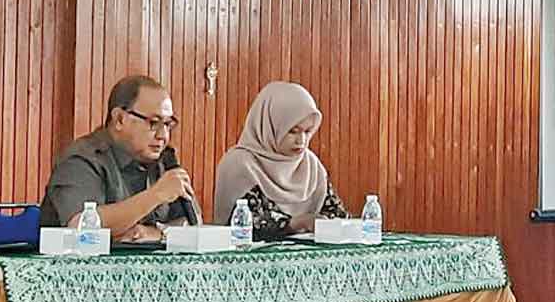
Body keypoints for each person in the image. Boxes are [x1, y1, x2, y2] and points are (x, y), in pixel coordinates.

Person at [39, 75, 200, 242]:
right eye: (153, 123)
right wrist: (156, 195)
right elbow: (81, 227)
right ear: (119, 119)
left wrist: (159, 234)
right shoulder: (81, 159)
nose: (163, 136)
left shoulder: (164, 160)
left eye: (167, 124)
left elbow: (193, 225)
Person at [214, 81, 348, 241]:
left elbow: (337, 215)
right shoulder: (239, 164)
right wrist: (296, 223)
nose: (301, 140)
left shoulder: (311, 165)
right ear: (270, 126)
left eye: (307, 131)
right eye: (293, 131)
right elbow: (247, 225)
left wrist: (324, 223)